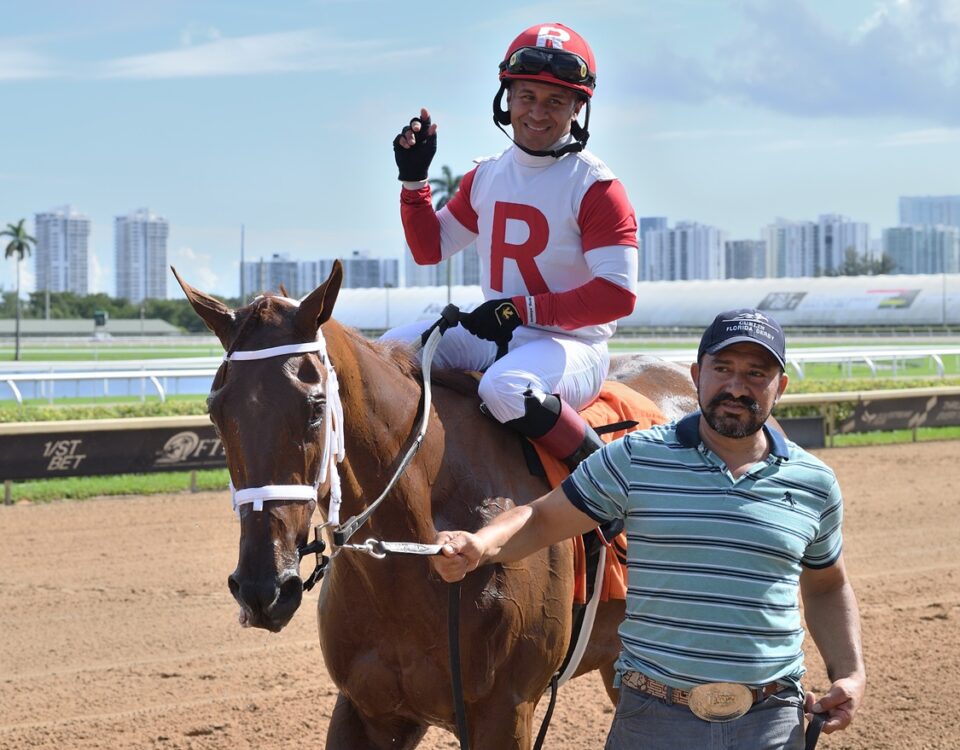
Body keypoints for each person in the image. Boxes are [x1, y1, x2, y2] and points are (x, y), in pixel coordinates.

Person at [432, 309, 866, 750]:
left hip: (771, 724)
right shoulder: (636, 457)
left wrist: (849, 673)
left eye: (757, 374)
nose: (737, 387)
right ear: (698, 375)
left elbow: (828, 585)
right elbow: (544, 517)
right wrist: (481, 544)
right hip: (656, 721)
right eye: (723, 369)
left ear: (781, 386)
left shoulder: (814, 482)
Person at [382, 22, 639, 470]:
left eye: (555, 101)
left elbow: (617, 296)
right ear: (507, 98)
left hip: (573, 348)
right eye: (527, 97)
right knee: (388, 354)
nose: (537, 113)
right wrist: (413, 179)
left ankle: (603, 480)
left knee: (503, 387)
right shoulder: (486, 175)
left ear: (578, 107)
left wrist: (522, 310)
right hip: (498, 331)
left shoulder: (599, 188)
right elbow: (430, 249)